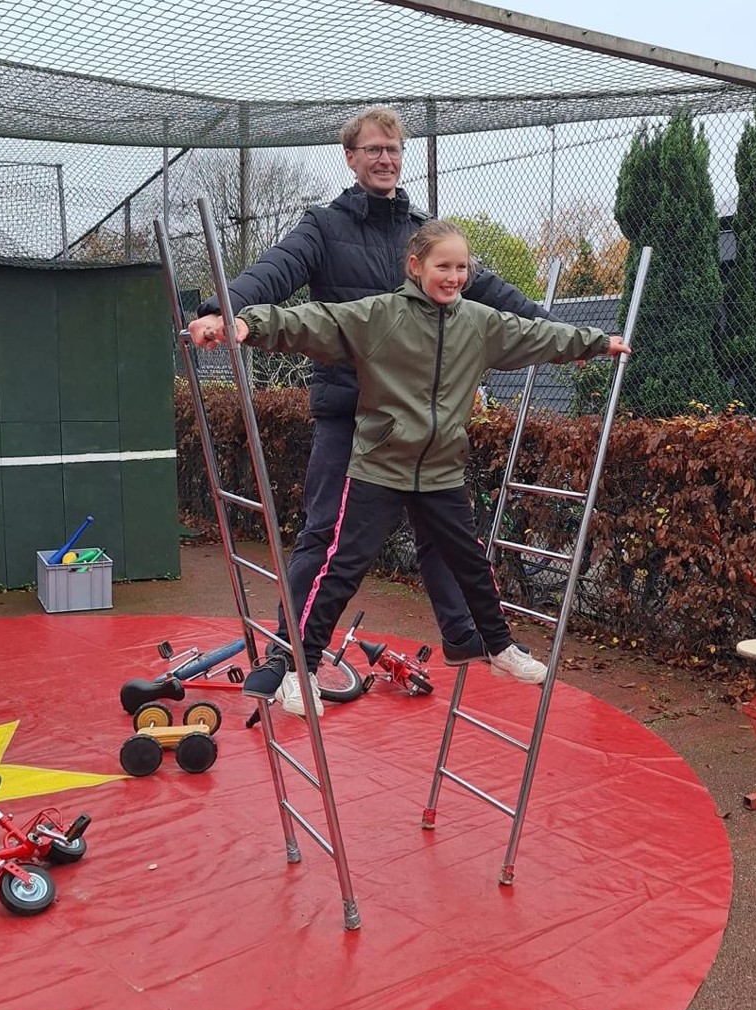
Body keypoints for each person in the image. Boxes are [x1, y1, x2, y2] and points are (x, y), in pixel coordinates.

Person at [189, 106, 553, 700]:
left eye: (394, 149)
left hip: (416, 418)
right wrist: (221, 309)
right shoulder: (324, 227)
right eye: (374, 149)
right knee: (324, 533)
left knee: (442, 529)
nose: (386, 159)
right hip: (349, 411)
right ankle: (288, 655)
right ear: (351, 158)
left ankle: (463, 634)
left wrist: (547, 324)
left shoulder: (422, 232)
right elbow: (275, 271)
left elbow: (482, 286)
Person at [226, 221, 630, 714]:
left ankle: (499, 645)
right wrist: (248, 325)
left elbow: (536, 334)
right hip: (380, 466)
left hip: (440, 470)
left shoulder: (478, 323)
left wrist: (594, 342)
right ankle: (301, 667)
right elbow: (315, 322)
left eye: (461, 268)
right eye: (443, 266)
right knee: (343, 567)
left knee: (470, 561)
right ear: (415, 266)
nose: (454, 276)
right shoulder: (381, 316)